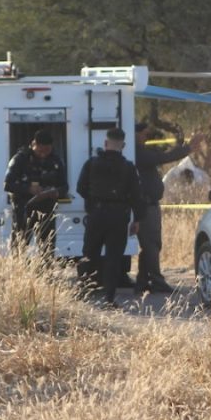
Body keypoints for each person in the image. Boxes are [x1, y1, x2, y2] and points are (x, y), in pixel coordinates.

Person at [76, 127, 144, 306]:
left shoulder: (91, 163)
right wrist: (136, 219)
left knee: (89, 253)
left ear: (105, 144)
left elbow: (80, 188)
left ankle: (84, 293)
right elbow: (137, 195)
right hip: (118, 216)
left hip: (96, 214)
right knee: (114, 257)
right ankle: (109, 297)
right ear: (123, 145)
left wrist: (93, 202)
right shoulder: (128, 167)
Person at [134, 122, 203, 293]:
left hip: (149, 204)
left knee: (149, 245)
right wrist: (187, 149)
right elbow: (162, 158)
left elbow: (161, 155)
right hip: (146, 205)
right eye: (142, 133)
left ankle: (143, 281)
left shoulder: (140, 151)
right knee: (152, 244)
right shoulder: (138, 153)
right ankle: (156, 281)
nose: (145, 136)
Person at [3, 129, 68, 257]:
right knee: (19, 248)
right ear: (33, 145)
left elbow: (64, 186)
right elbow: (7, 184)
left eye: (47, 151)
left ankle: (45, 274)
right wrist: (28, 189)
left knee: (47, 249)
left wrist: (55, 192)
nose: (43, 154)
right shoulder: (20, 159)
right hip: (24, 209)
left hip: (46, 210)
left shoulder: (55, 161)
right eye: (40, 151)